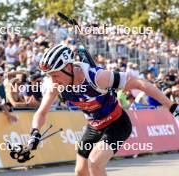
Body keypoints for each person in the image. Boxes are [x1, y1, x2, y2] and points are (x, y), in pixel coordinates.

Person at [26, 44, 179, 176]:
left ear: (68, 67)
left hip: (117, 124)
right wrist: (35, 133)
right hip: (94, 126)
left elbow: (140, 83)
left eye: (55, 75)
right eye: (49, 76)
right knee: (80, 171)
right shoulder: (55, 85)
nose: (53, 80)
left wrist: (171, 106)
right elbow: (41, 112)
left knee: (95, 163)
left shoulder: (98, 77)